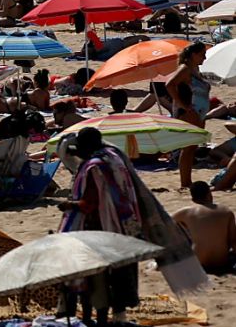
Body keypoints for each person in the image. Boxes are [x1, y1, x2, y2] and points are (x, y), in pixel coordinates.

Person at [56, 127, 208, 325]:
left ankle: (93, 320)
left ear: (86, 147)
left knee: (95, 279)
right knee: (120, 275)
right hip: (125, 224)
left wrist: (68, 205)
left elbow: (89, 203)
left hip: (102, 228)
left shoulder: (94, 167)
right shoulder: (114, 156)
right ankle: (119, 317)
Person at [166, 42, 209, 188]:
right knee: (188, 148)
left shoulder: (195, 69)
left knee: (192, 148)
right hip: (190, 112)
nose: (205, 57)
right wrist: (183, 105)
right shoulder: (184, 69)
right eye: (202, 54)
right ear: (193, 55)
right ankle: (185, 182)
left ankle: (187, 181)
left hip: (198, 112)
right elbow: (169, 84)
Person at [172, 182, 236, 274]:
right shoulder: (227, 211)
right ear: (209, 194)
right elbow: (233, 241)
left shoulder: (187, 212)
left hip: (198, 262)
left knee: (179, 225)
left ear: (193, 198)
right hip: (221, 262)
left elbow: (165, 222)